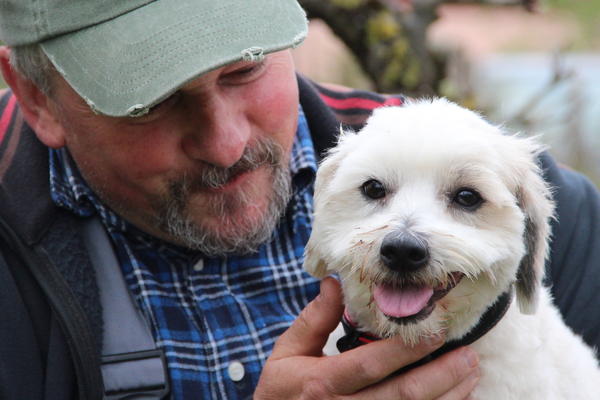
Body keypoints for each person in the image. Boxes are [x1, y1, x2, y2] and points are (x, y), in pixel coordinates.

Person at [0, 1, 597, 399]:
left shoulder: (540, 208)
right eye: (149, 102)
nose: (227, 144)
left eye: (245, 67)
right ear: (38, 97)